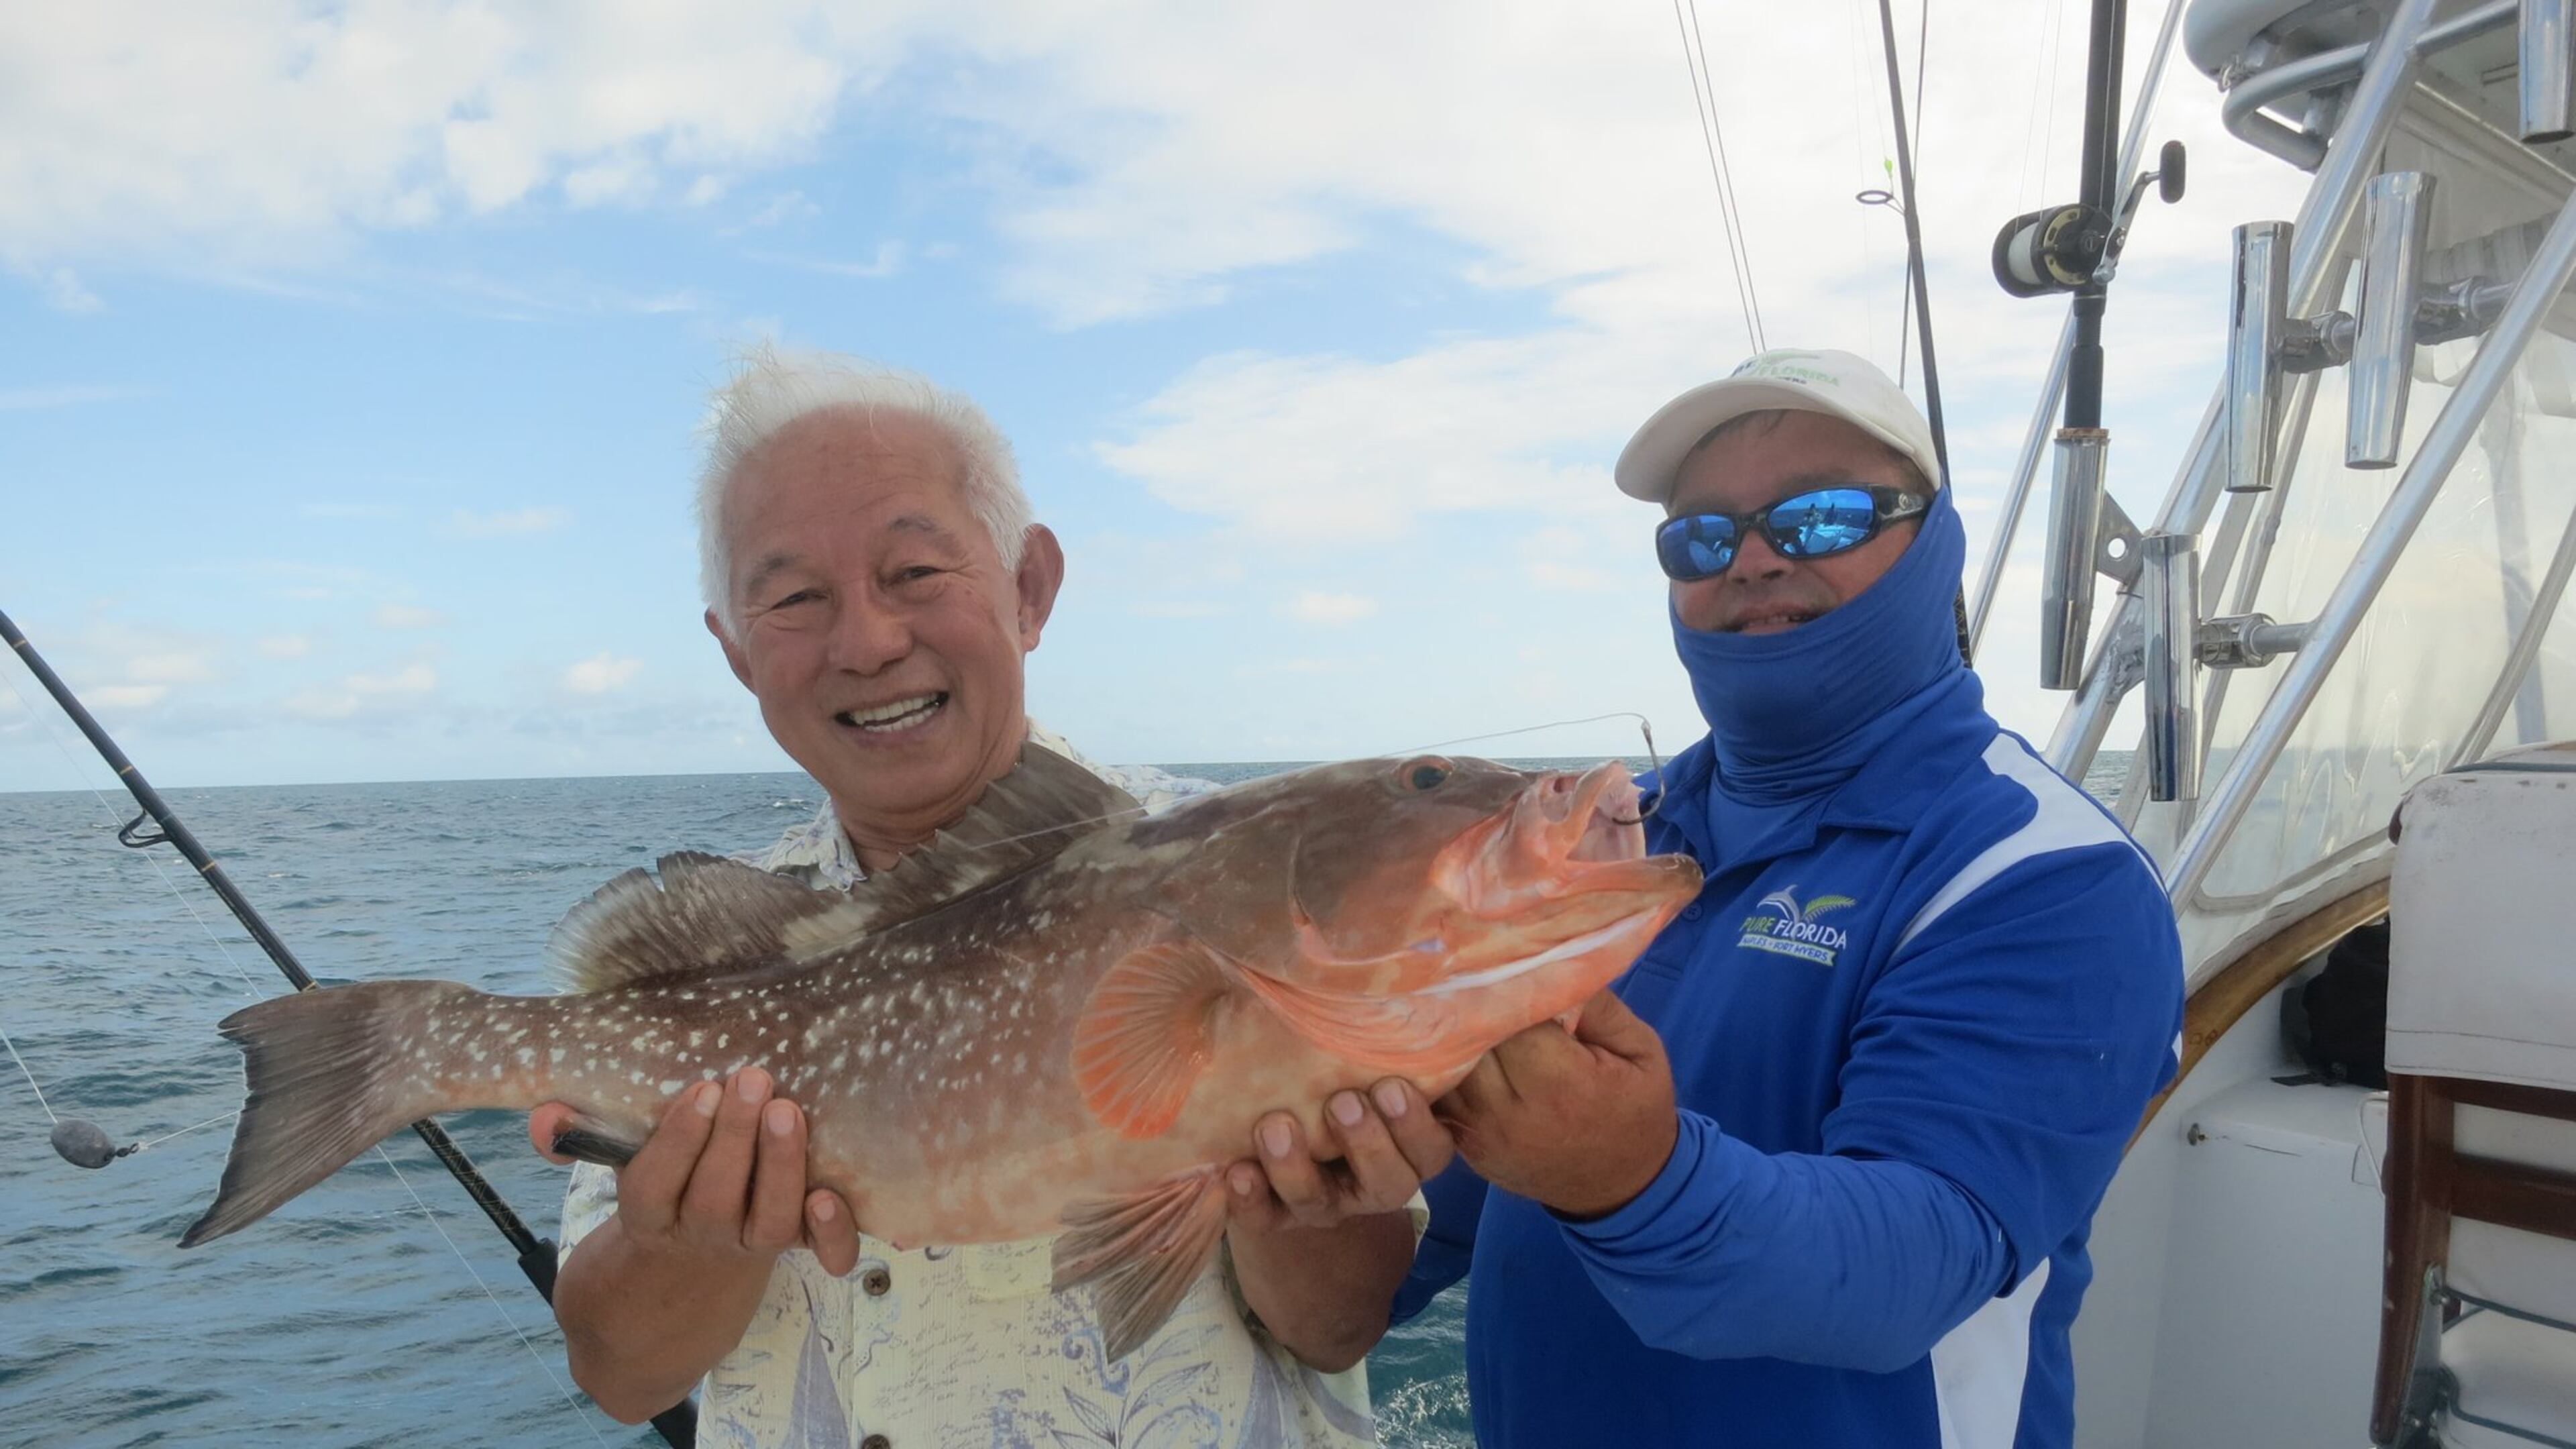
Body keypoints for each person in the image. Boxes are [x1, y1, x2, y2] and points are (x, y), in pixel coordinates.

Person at [529, 345, 1445, 1445]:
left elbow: (1333, 1329)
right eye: (794, 598)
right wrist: (684, 1236)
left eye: (916, 574)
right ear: (734, 652)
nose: (867, 641)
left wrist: (1317, 1209)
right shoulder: (725, 949)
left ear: (1029, 587)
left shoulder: (1240, 871)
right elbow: (622, 1381)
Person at [1393, 348, 2186, 1448]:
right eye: (1703, 537)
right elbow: (1451, 1213)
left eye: (1818, 521)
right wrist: (1305, 1184)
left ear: (1933, 544)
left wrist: (1633, 1178)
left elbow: (1914, 1264)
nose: (1753, 560)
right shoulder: (1608, 843)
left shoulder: (2047, 877)